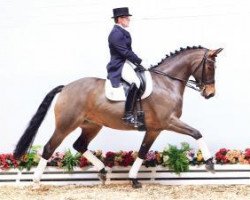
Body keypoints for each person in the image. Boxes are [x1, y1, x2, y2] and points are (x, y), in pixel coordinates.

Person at [106, 7, 148, 126]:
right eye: (126, 17)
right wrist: (140, 61)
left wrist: (137, 63)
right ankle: (128, 114)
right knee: (136, 82)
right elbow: (125, 52)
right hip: (119, 64)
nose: (129, 19)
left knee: (142, 76)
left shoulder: (122, 32)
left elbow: (129, 51)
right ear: (119, 19)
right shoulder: (115, 34)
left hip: (126, 62)